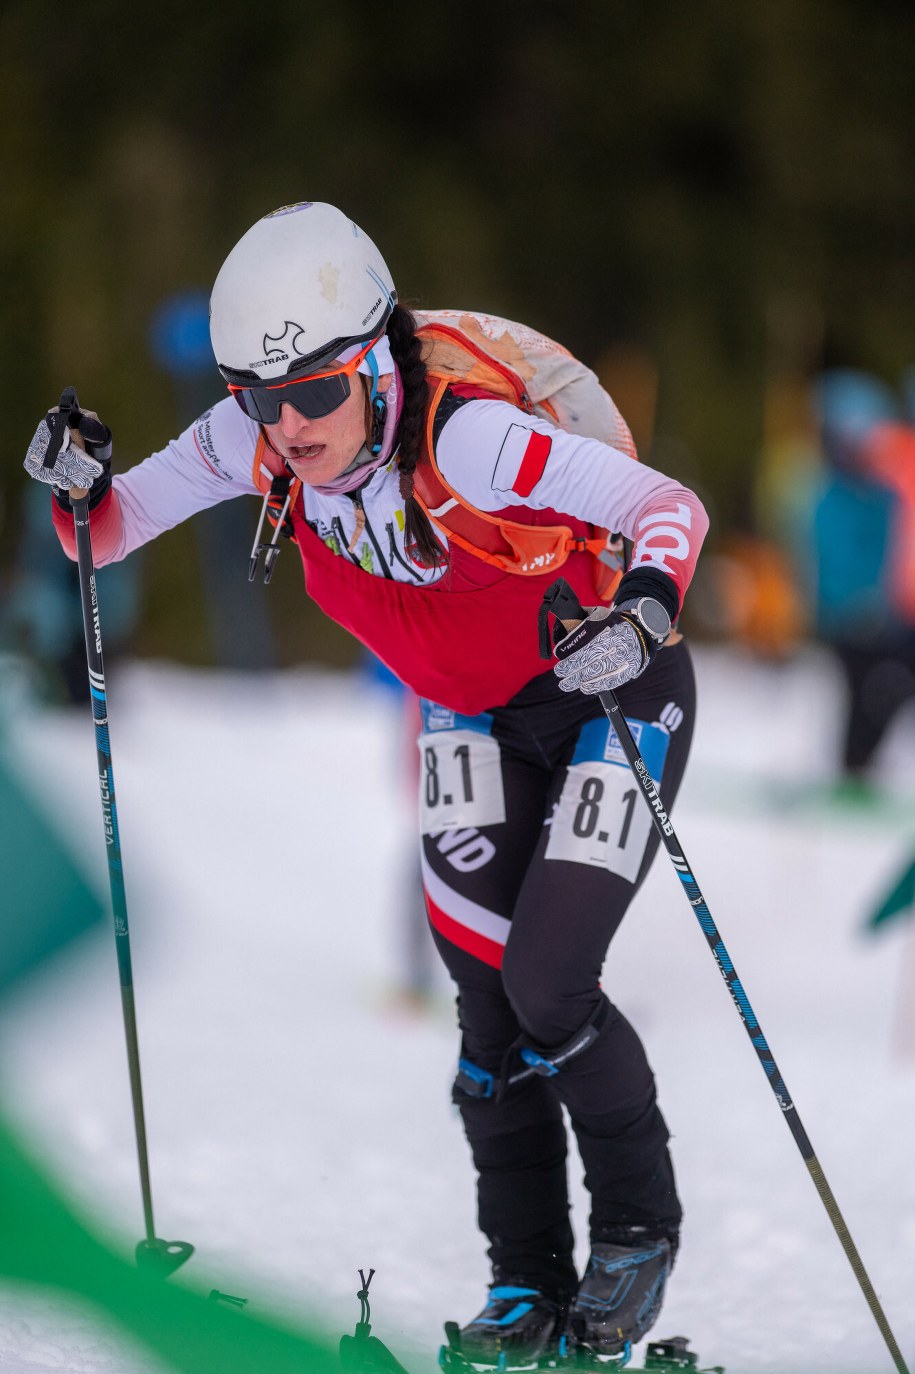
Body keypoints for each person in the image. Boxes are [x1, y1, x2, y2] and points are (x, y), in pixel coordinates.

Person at [24, 201, 708, 1363]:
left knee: (549, 983)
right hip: (468, 720)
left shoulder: (470, 440)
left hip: (606, 694)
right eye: (260, 396)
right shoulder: (250, 440)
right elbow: (106, 534)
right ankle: (526, 1285)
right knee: (485, 1011)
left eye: (316, 393)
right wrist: (77, 488)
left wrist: (642, 611)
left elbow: (667, 509)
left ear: (377, 363)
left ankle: (639, 1230)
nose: (288, 427)